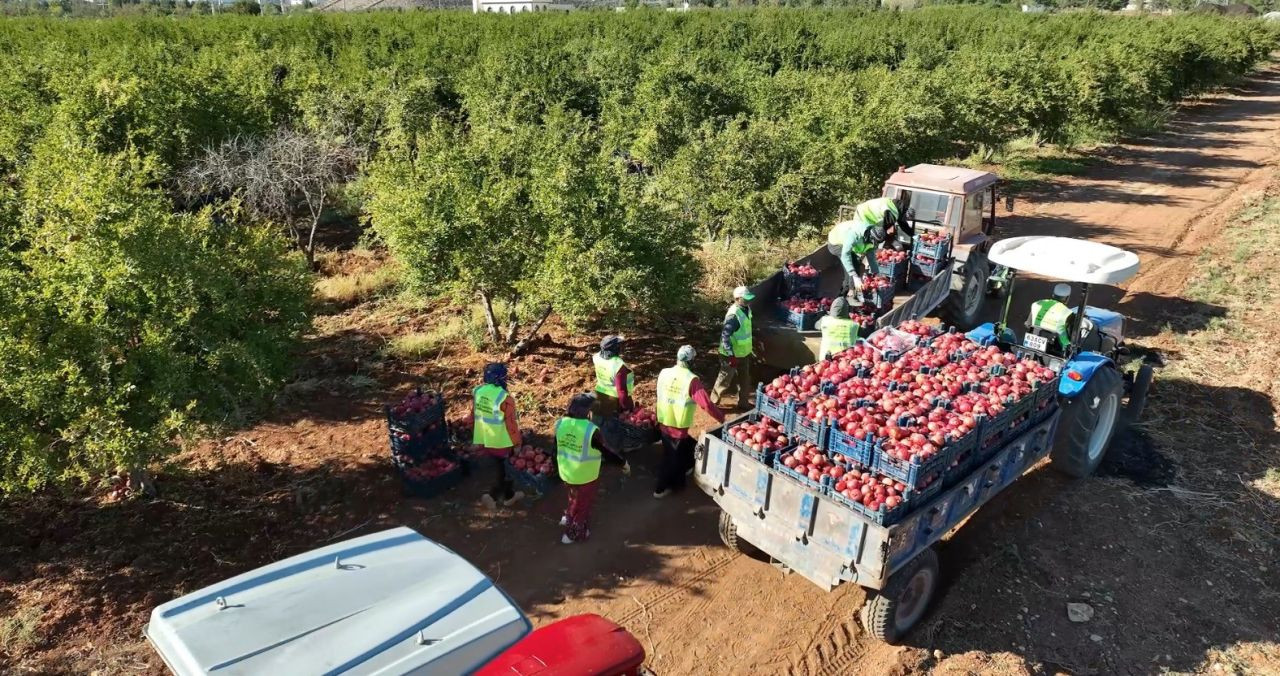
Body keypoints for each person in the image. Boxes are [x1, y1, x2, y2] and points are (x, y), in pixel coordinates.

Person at [555, 393, 630, 544]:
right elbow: (606, 451)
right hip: (585, 475)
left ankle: (569, 516)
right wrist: (622, 463)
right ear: (587, 412)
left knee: (573, 498)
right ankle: (572, 534)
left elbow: (554, 448)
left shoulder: (560, 423)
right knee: (583, 505)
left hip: (566, 471)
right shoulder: (590, 430)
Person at [654, 346, 725, 499]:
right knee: (671, 458)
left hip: (664, 420)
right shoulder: (691, 380)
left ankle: (686, 467)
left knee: (684, 447)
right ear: (692, 361)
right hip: (678, 425)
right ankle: (661, 488)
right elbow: (706, 404)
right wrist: (721, 418)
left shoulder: (664, 372)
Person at [828, 196, 907, 297]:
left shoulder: (873, 238)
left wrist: (876, 274)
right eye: (873, 241)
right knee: (852, 266)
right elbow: (845, 255)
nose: (874, 243)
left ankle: (850, 291)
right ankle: (847, 293)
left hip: (849, 244)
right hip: (836, 241)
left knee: (856, 265)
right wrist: (856, 278)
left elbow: (871, 257)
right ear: (869, 235)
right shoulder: (855, 234)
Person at [471, 362, 524, 511]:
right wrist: (517, 443)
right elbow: (511, 426)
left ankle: (508, 495)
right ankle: (494, 496)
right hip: (502, 441)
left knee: (499, 468)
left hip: (485, 438)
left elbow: (473, 414)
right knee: (505, 471)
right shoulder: (505, 398)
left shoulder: (478, 391)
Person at [711, 285, 755, 410]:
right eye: (745, 299)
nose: (748, 301)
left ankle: (743, 403)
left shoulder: (747, 309)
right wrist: (730, 355)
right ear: (737, 299)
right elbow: (725, 336)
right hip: (731, 355)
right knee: (724, 379)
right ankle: (713, 403)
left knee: (744, 379)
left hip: (744, 353)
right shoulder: (733, 315)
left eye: (748, 298)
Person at [591, 334, 635, 420]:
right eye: (619, 346)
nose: (621, 347)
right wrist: (626, 408)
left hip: (599, 395)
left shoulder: (596, 357)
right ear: (615, 349)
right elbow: (621, 391)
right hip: (614, 401)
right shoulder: (618, 365)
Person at [1026, 283, 1076, 354]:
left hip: (1031, 341)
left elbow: (1028, 324)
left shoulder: (1037, 303)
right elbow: (1066, 337)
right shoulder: (1068, 313)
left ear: (1053, 294)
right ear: (1067, 298)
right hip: (1054, 349)